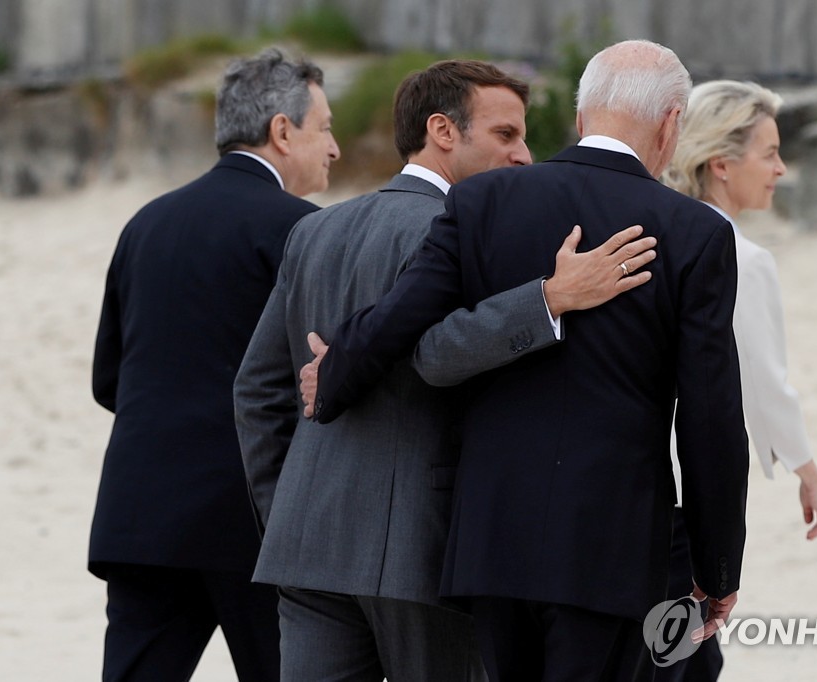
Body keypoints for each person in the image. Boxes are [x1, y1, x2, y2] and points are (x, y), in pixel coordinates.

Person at [308, 40, 750, 681]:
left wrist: (334, 375)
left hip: (491, 542)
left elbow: (403, 316)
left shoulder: (483, 201)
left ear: (580, 119)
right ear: (671, 122)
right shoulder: (694, 232)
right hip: (610, 548)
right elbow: (710, 415)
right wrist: (716, 568)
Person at [233, 59, 655, 682]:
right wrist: (550, 299)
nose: (523, 157)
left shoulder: (314, 230)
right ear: (443, 131)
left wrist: (286, 511)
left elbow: (256, 392)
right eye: (506, 135)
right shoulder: (472, 231)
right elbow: (441, 351)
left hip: (305, 547)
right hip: (423, 550)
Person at [89, 48, 339, 682]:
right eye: (326, 127)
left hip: (140, 513)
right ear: (283, 131)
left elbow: (108, 380)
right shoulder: (300, 230)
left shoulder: (145, 223)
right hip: (255, 521)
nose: (333, 148)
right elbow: (327, 376)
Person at [657, 79, 817, 680]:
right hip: (684, 496)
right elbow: (760, 380)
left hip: (619, 488)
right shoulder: (740, 256)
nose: (781, 169)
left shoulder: (655, 232)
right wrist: (809, 472)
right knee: (688, 661)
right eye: (770, 153)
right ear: (721, 165)